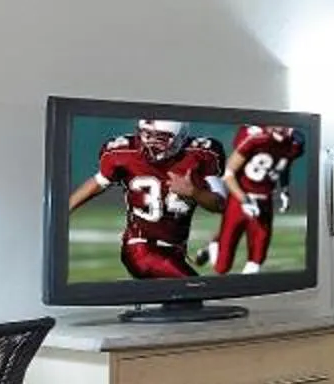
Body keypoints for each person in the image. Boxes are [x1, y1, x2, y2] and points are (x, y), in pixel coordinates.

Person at [63, 119, 225, 278]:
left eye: (160, 138)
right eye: (146, 135)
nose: (150, 143)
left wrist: (194, 192)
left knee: (181, 301)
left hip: (175, 250)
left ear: (180, 138)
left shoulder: (202, 154)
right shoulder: (125, 152)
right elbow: (99, 182)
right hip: (140, 249)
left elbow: (220, 204)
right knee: (193, 290)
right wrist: (64, 209)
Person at [207, 122, 306, 273]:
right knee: (222, 267)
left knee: (257, 260)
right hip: (240, 199)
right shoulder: (255, 138)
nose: (286, 128)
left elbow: (285, 163)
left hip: (265, 200)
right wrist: (244, 199)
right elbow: (228, 173)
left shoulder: (294, 143)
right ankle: (215, 242)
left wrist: (284, 189)